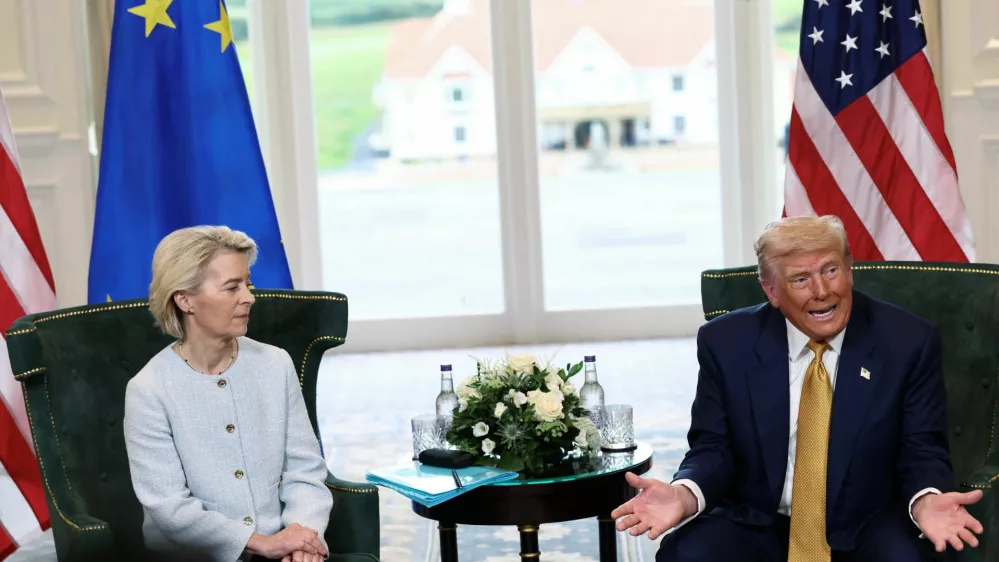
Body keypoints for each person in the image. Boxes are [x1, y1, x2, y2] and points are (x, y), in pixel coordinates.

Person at [612, 216, 984, 561]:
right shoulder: (726, 343)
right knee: (687, 554)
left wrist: (925, 500)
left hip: (867, 522)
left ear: (849, 270)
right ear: (771, 291)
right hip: (758, 519)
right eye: (800, 280)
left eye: (831, 271)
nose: (821, 291)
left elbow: (922, 449)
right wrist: (684, 494)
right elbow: (713, 447)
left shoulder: (907, 341)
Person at [123, 226, 333, 562]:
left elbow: (305, 470)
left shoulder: (275, 364)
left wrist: (302, 538)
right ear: (185, 300)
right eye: (232, 287)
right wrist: (261, 543)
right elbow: (168, 506)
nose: (249, 297)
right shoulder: (148, 389)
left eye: (247, 284)